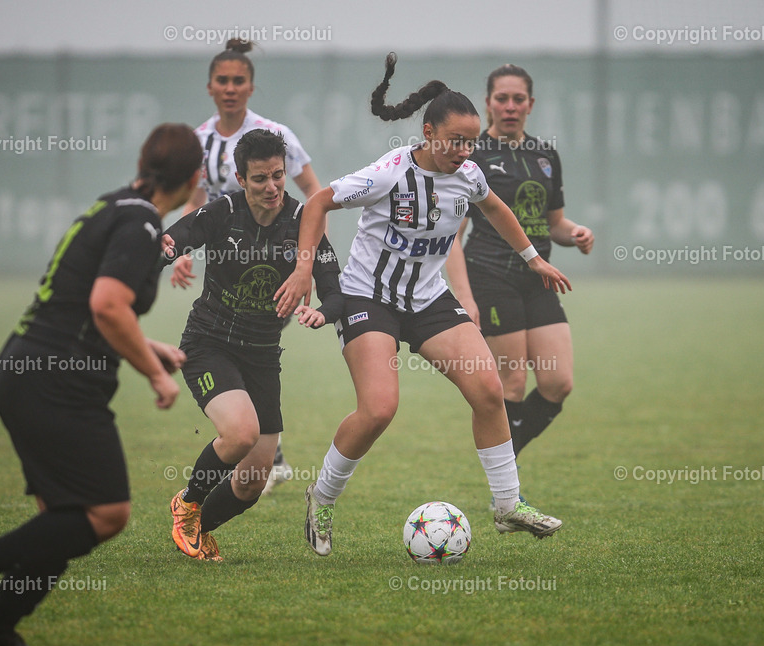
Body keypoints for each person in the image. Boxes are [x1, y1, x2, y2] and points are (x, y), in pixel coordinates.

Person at [275, 53, 571, 557]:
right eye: (455, 140)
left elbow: (495, 208)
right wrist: (303, 267)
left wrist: (533, 259)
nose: (464, 150)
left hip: (429, 300)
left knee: (488, 390)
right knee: (379, 409)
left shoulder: (469, 173)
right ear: (429, 133)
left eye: (471, 141)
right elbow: (319, 201)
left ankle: (507, 505)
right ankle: (321, 498)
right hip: (369, 297)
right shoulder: (389, 174)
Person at [0, 124, 202, 646]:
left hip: (25, 367)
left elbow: (83, 304)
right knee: (105, 512)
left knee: (61, 518)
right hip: (56, 380)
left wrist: (147, 348)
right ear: (196, 179)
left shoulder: (111, 206)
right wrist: (152, 375)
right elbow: (106, 305)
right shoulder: (142, 225)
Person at [165, 129, 343, 562]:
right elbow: (173, 240)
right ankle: (187, 503)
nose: (272, 187)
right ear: (241, 180)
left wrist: (324, 312)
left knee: (252, 482)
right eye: (260, 178)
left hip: (262, 355)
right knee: (241, 433)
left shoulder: (304, 221)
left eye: (278, 176)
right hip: (210, 343)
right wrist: (160, 250)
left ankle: (199, 528)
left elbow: (336, 289)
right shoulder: (222, 212)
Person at [183, 37, 325, 491]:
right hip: (227, 268)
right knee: (238, 333)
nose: (230, 88)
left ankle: (263, 443)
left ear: (251, 87)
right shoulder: (199, 140)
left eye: (238, 81)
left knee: (257, 330)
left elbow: (315, 197)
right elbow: (197, 201)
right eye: (222, 81)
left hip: (274, 265)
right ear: (209, 87)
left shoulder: (273, 136)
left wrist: (309, 262)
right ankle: (262, 445)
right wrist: (181, 255)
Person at [445, 64, 593, 483]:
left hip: (538, 278)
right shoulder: (472, 156)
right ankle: (505, 488)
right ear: (489, 102)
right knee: (511, 383)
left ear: (531, 104)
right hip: (490, 276)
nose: (510, 107)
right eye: (501, 98)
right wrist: (466, 296)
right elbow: (452, 237)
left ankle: (503, 461)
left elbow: (555, 224)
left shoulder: (545, 155)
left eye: (518, 99)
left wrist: (576, 233)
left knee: (558, 383)